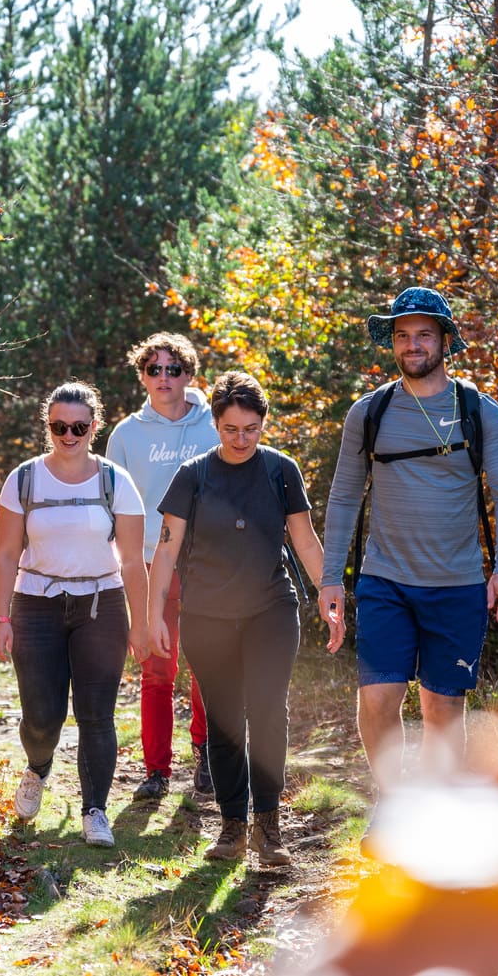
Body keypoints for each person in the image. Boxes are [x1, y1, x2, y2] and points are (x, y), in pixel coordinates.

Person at [317, 286, 498, 790]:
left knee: (442, 708)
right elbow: (344, 496)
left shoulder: (481, 412)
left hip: (457, 585)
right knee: (378, 699)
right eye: (403, 335)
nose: (413, 345)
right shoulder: (369, 412)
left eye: (424, 335)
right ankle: (391, 803)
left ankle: (431, 818)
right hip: (384, 579)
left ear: (445, 341)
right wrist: (331, 580)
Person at [148, 372, 344, 867]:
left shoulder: (281, 471)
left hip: (270, 609)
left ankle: (268, 824)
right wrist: (153, 615)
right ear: (215, 424)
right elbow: (165, 553)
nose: (241, 439)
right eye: (231, 429)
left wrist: (329, 592)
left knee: (268, 710)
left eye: (251, 429)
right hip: (206, 616)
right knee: (224, 719)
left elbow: (303, 540)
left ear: (264, 425)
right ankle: (232, 825)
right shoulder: (193, 475)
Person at [0, 381, 149, 848]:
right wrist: (0, 618)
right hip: (35, 604)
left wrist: (141, 624)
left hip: (101, 606)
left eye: (79, 426)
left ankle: (95, 810)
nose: (69, 434)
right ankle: (38, 767)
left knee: (96, 714)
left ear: (94, 427)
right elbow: (4, 555)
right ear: (49, 426)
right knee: (42, 717)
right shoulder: (24, 479)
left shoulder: (115, 481)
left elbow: (134, 561)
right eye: (59, 426)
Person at [105, 333, 219, 802]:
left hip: (207, 562)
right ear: (142, 376)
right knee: (157, 669)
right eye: (154, 369)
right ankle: (156, 771)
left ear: (189, 374)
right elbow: (110, 505)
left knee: (209, 666)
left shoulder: (214, 424)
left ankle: (206, 755)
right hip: (151, 563)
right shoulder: (126, 434)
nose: (164, 378)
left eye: (173, 369)